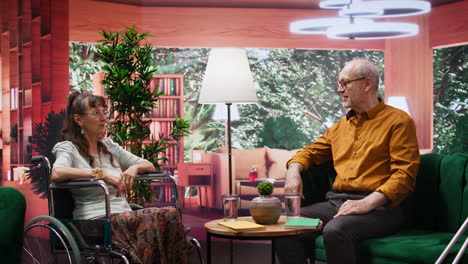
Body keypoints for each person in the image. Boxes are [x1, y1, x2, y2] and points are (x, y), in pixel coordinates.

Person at [276, 58, 420, 264]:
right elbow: (310, 152)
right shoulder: (340, 127)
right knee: (287, 226)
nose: (339, 90)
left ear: (367, 83)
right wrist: (293, 169)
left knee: (336, 230)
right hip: (337, 203)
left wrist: (367, 202)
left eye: (345, 83)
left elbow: (404, 175)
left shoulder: (399, 122)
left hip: (382, 208)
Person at [51, 91, 191, 264]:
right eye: (96, 113)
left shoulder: (109, 147)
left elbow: (149, 165)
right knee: (161, 215)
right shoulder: (68, 148)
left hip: (123, 216)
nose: (103, 118)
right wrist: (101, 175)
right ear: (79, 120)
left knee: (170, 214)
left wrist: (133, 168)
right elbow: (57, 173)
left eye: (104, 112)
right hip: (95, 222)